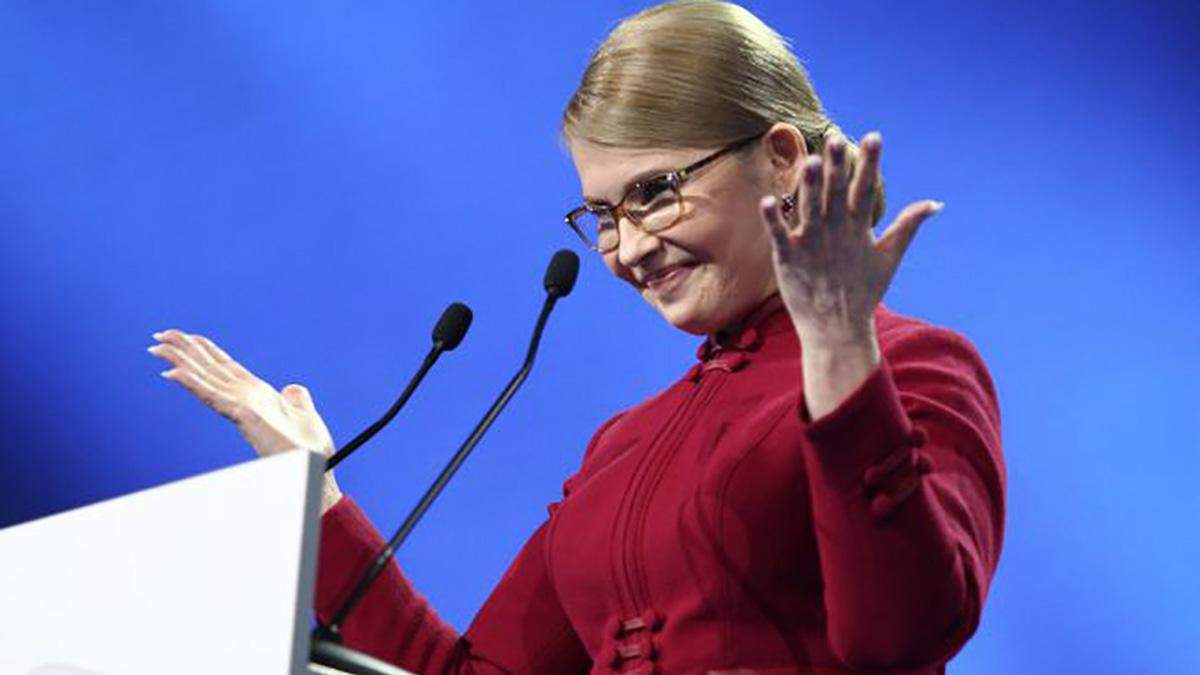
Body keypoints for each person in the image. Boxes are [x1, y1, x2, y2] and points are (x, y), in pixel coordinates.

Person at [148, 1, 1006, 672]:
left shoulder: (913, 366)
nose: (627, 248)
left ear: (781, 157)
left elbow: (902, 634)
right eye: (601, 214)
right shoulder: (621, 445)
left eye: (655, 192)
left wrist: (839, 350)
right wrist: (314, 491)